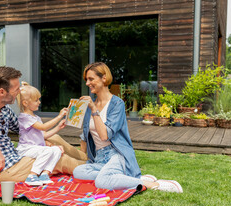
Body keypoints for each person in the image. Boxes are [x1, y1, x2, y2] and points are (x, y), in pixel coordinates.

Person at [0, 66, 86, 182]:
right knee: (59, 159)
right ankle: (95, 169)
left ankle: (88, 160)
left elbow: (27, 131)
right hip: (4, 171)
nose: (19, 92)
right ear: (2, 92)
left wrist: (45, 140)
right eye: (16, 89)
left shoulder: (5, 110)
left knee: (52, 140)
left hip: (16, 159)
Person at [73, 62, 183, 193]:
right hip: (99, 158)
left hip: (116, 155)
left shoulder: (117, 104)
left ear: (104, 78)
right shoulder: (90, 105)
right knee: (78, 172)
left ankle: (154, 184)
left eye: (91, 79)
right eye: (86, 80)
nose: (87, 83)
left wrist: (94, 110)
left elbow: (104, 135)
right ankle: (124, 178)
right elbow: (85, 135)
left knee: (101, 182)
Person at [16, 82, 86, 186]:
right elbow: (43, 127)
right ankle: (32, 175)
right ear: (25, 103)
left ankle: (45, 173)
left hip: (37, 148)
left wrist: (58, 127)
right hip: (27, 148)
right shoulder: (24, 117)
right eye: (36, 100)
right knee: (48, 151)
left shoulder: (36, 118)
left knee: (57, 150)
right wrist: (59, 116)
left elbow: (44, 135)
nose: (39, 102)